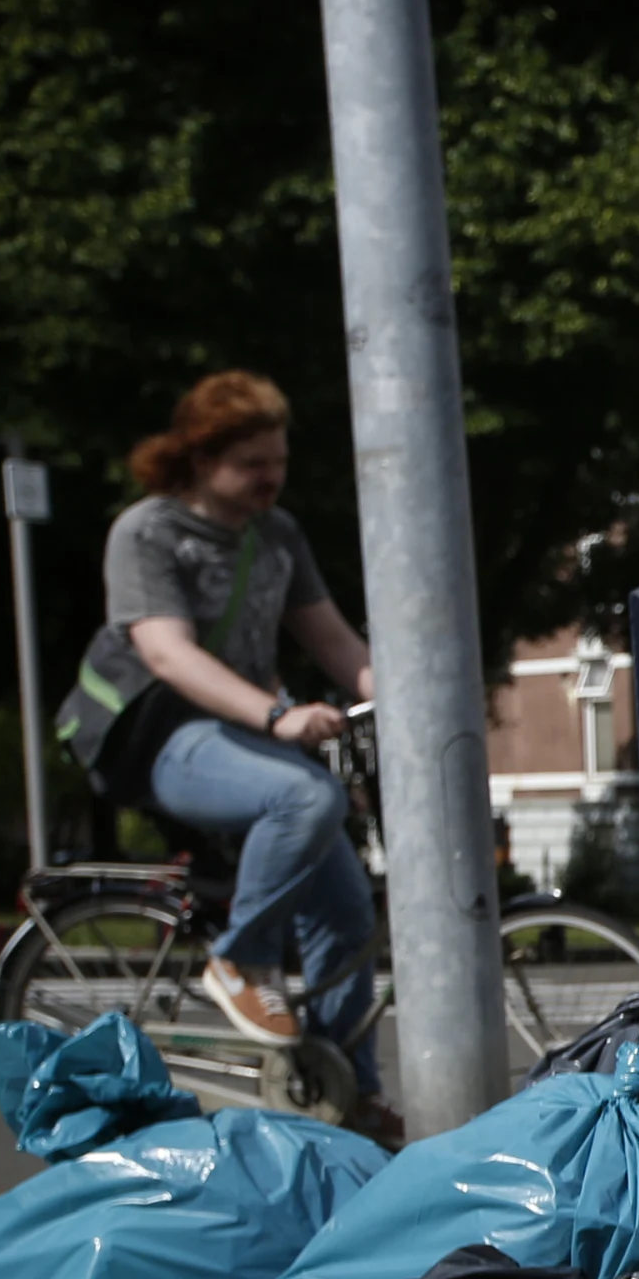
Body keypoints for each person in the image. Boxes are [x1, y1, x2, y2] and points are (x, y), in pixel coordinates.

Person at [58, 371, 390, 1125]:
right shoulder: (147, 532)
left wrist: (408, 701)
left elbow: (334, 641)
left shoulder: (277, 535)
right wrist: (278, 717)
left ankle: (349, 1094)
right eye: (251, 463)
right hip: (158, 734)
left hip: (237, 731)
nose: (271, 477)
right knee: (303, 795)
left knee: (347, 914)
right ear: (202, 458)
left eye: (278, 460)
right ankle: (243, 958)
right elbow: (168, 654)